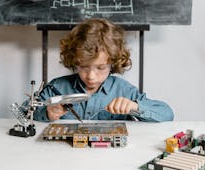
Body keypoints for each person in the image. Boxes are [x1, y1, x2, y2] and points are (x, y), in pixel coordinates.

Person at [32, 18, 174, 122]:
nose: (91, 76)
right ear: (74, 61)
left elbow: (167, 114)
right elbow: (24, 112)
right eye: (84, 66)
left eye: (100, 68)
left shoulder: (123, 90)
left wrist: (135, 107)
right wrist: (46, 112)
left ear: (113, 63)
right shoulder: (56, 88)